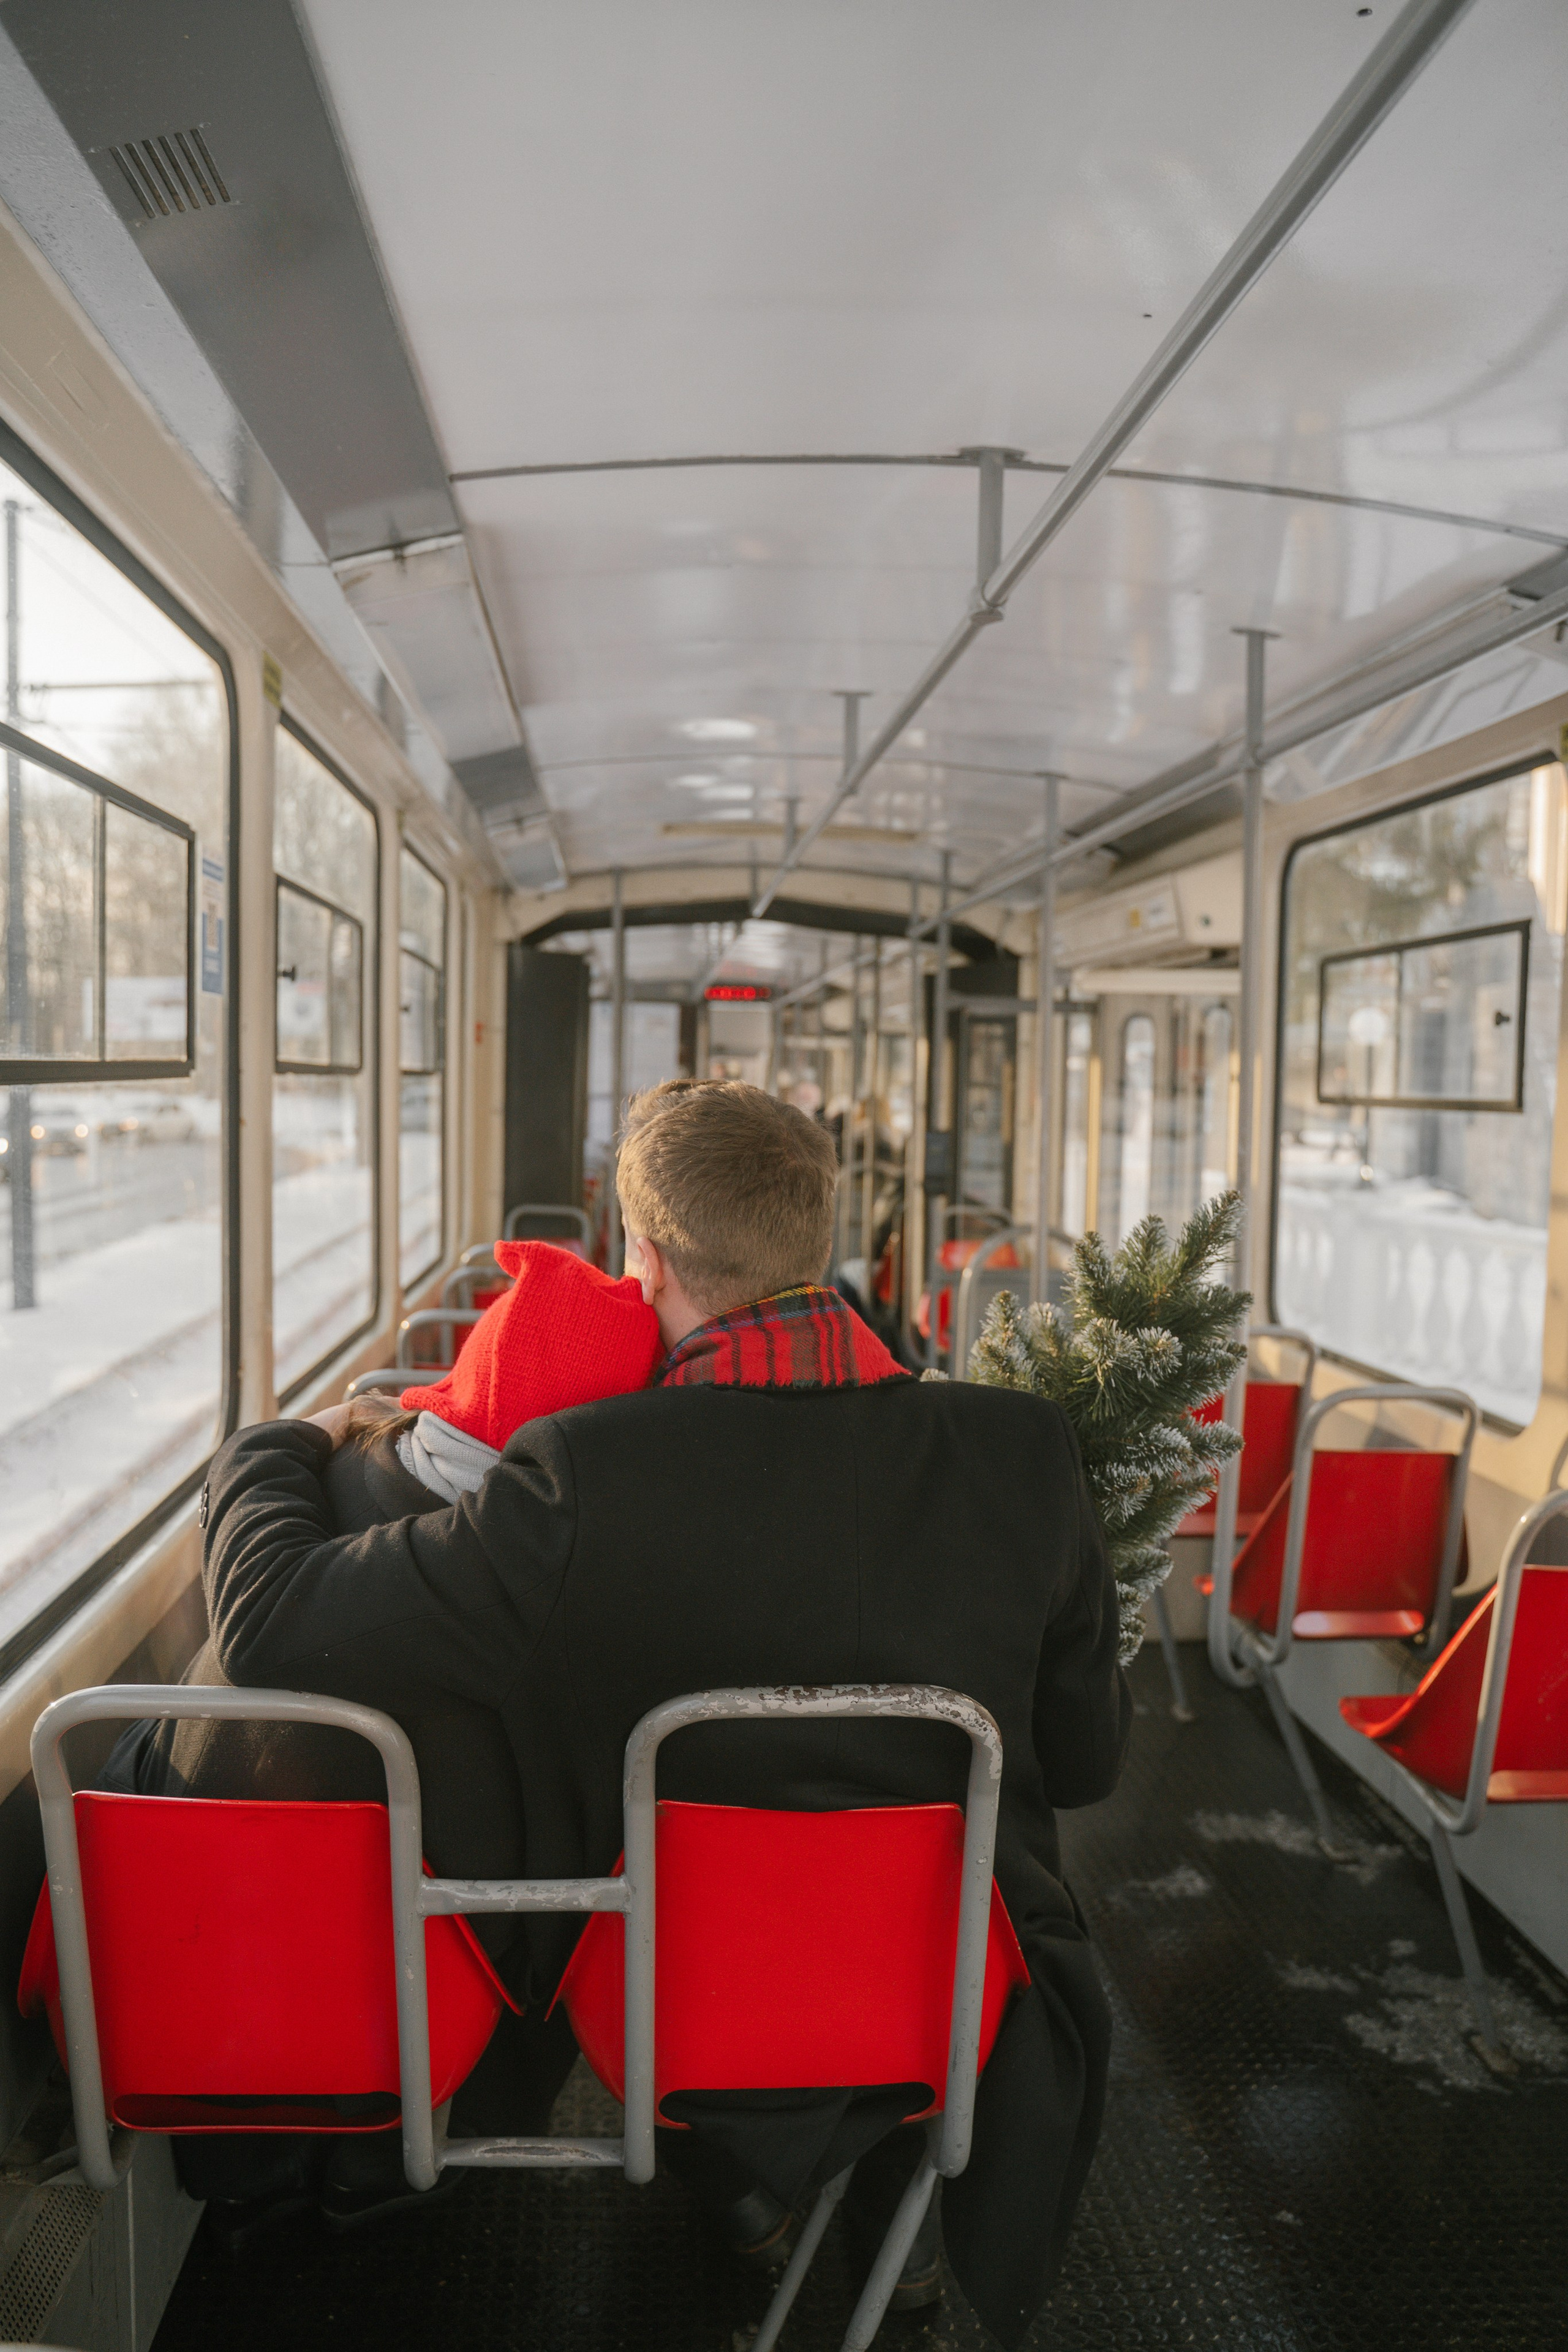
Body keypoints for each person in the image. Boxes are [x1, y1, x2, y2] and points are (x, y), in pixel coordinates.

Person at [196, 1079, 1130, 2345]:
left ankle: (744, 2182)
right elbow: (1083, 1762)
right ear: (819, 1237)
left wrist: (269, 1445)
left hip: (679, 1991)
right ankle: (876, 2208)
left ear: (641, 1257)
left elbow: (272, 1623)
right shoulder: (1024, 1453)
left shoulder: (586, 1473)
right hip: (958, 1982)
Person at [94, 1243, 661, 2241]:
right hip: (388, 1999)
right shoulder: (534, 1584)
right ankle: (405, 2163)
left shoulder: (333, 1490)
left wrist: (283, 1438)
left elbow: (263, 1602)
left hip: (166, 1970)